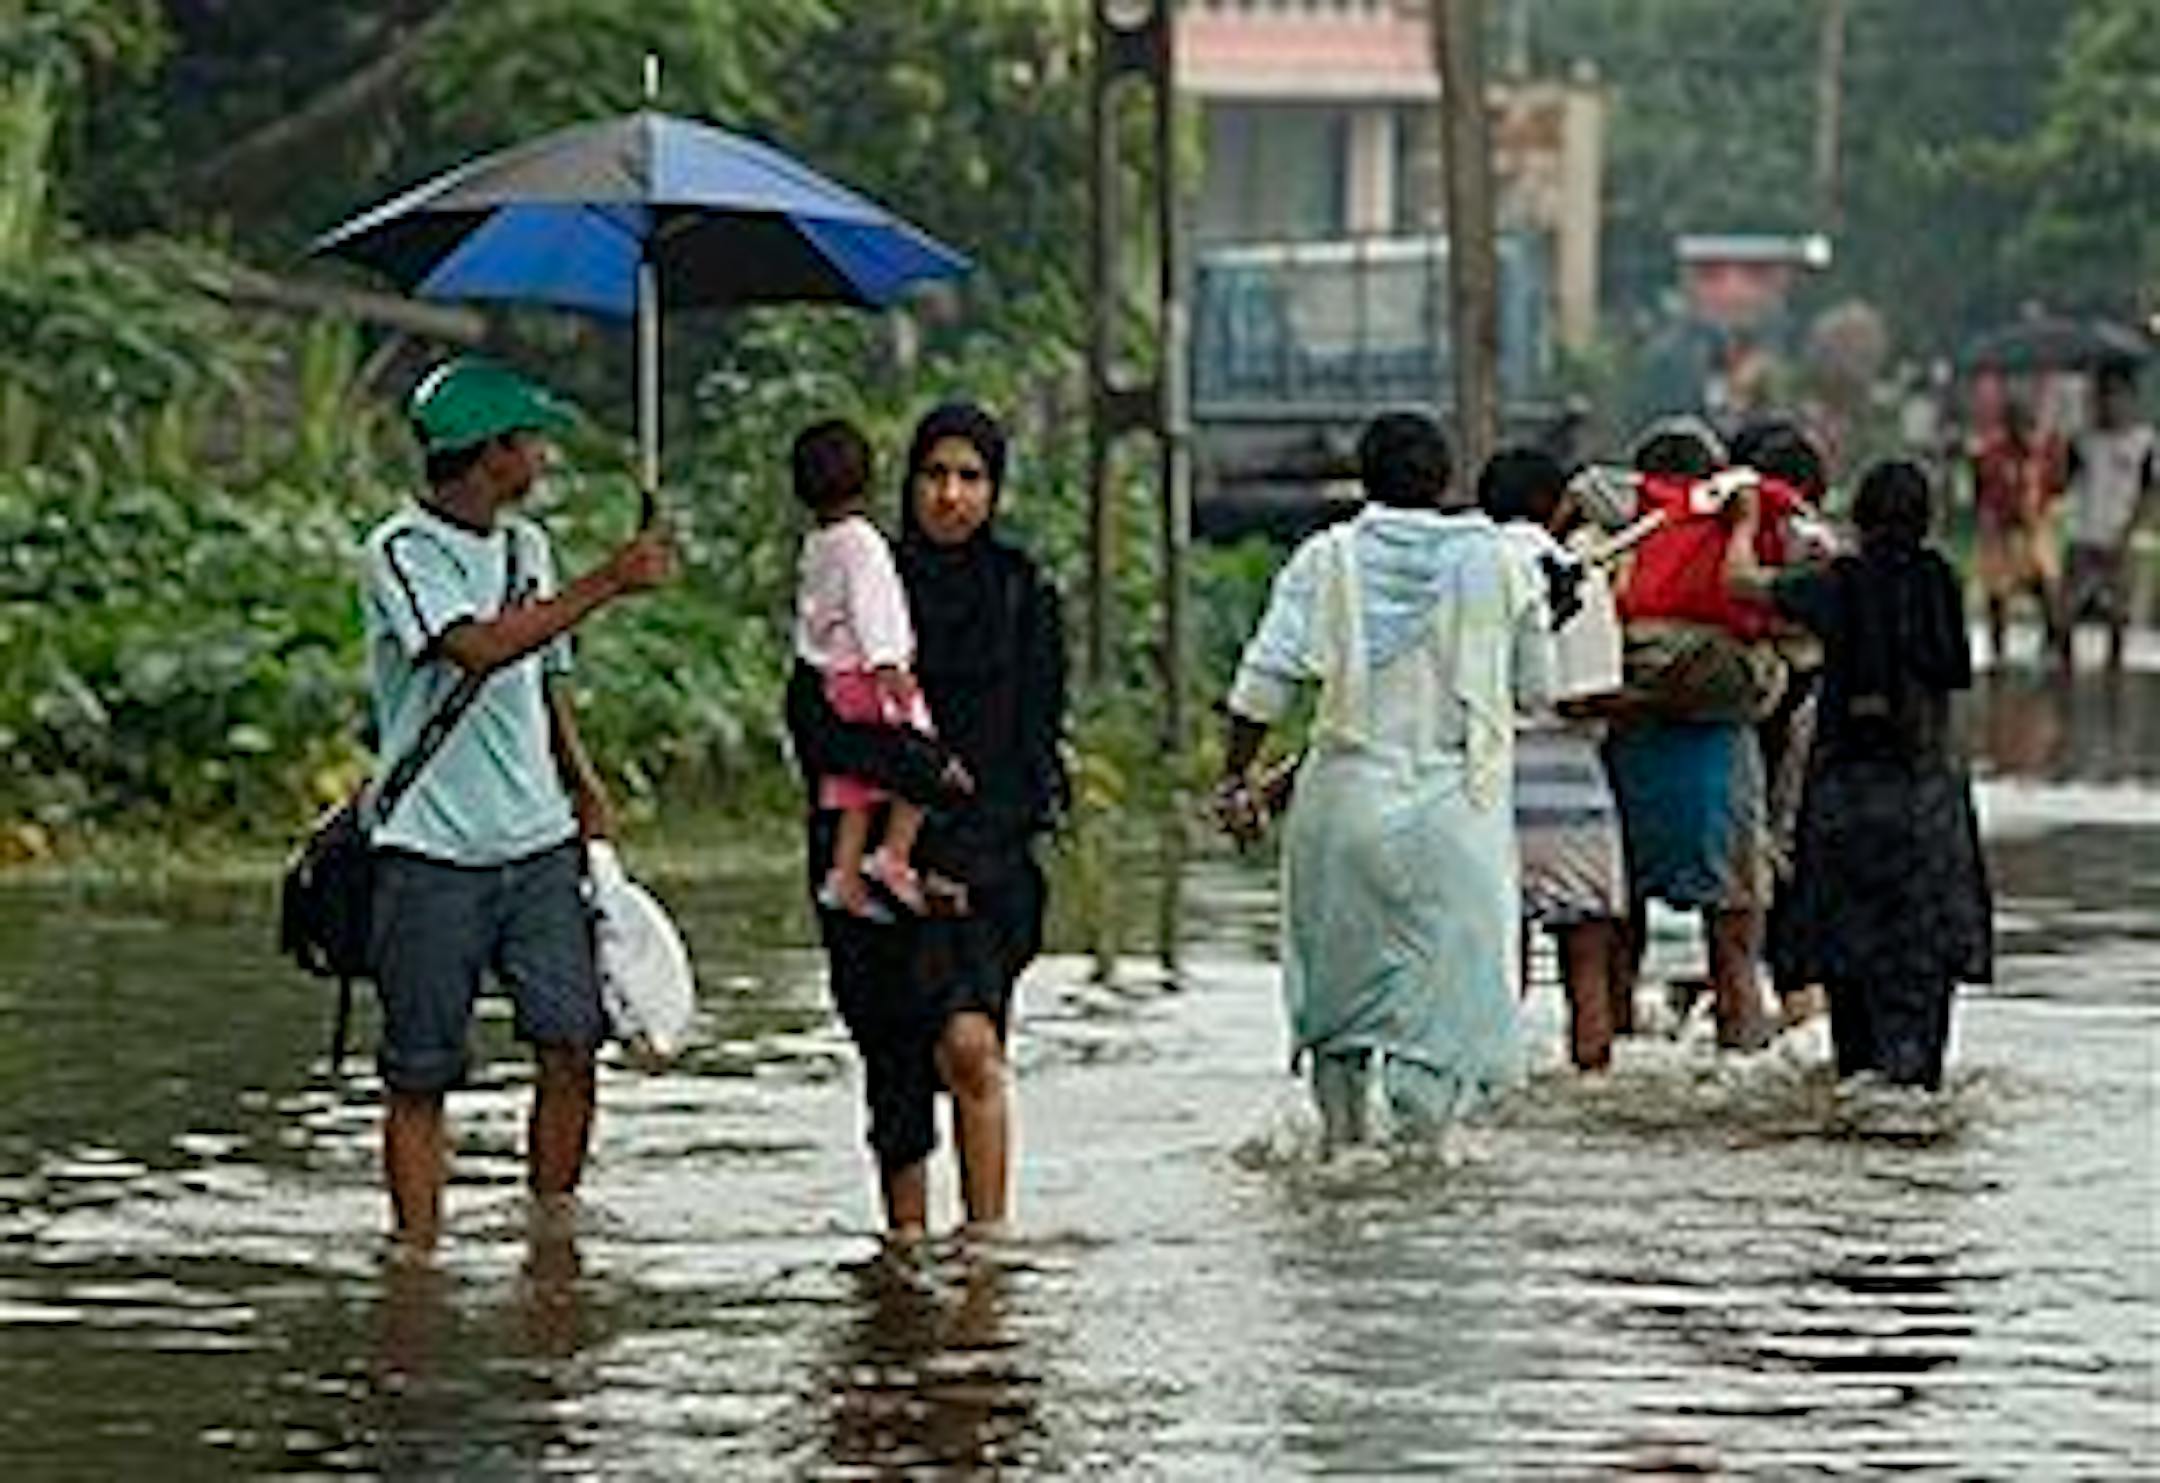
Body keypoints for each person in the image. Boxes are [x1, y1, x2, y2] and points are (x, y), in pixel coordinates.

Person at [360, 358, 674, 1254]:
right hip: (430, 849)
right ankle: (417, 1258)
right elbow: (479, 647)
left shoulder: (527, 549)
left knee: (573, 1044)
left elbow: (546, 679)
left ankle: (552, 1239)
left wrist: (583, 782)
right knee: (421, 1071)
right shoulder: (401, 551)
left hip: (537, 844)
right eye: (531, 440)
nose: (542, 454)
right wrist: (610, 580)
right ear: (492, 453)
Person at [1214, 412, 1551, 1149]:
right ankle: (1419, 1159)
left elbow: (1262, 687)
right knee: (1440, 1019)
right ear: (1446, 482)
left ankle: (1341, 1146)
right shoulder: (1502, 564)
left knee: (1338, 1009)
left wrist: (1237, 778)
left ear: (1363, 478)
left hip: (1343, 810)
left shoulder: (1323, 560)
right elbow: (1533, 691)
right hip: (1457, 818)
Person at [785, 403, 1067, 1248]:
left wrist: (965, 858)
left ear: (995, 487)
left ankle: (986, 1257)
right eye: (935, 475)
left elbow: (1033, 749)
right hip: (865, 856)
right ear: (906, 484)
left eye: (971, 477)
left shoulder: (1024, 594)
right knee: (895, 1070)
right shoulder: (864, 573)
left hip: (982, 864)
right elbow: (814, 718)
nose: (951, 495)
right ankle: (904, 1261)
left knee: (971, 1043)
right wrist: (903, 781)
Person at [1724, 460, 1991, 1088]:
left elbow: (1738, 584)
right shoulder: (1940, 583)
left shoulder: (1834, 585)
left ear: (1861, 518)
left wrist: (1742, 521)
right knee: (1920, 1007)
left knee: (1851, 998)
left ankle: (1858, 1124)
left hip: (1844, 809)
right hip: (1928, 811)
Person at [1602, 420, 1778, 1050]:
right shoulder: (1736, 535)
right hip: (1718, 765)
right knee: (1735, 960)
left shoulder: (1620, 542)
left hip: (1631, 764)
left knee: (1617, 957)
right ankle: (1744, 1061)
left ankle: (1610, 1071)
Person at [1480, 448, 1630, 1072]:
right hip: (1569, 784)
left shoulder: (1468, 573)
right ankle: (1590, 1091)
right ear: (1556, 505)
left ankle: (1490, 1085)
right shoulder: (1576, 573)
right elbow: (1592, 692)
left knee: (1493, 966)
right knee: (1586, 966)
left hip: (1484, 786)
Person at [792, 419, 937, 920]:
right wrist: (890, 667)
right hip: (869, 672)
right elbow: (874, 607)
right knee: (919, 758)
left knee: (856, 782)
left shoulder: (819, 542)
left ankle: (845, 872)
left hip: (831, 676)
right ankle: (894, 855)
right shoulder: (862, 543)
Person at [2061, 364, 2155, 673]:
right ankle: (2066, 667)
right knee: (2068, 608)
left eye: (2116, 395)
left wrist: (2130, 530)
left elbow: (2148, 492)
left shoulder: (2144, 442)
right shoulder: (2084, 441)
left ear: (2130, 398)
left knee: (2118, 610)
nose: (2109, 404)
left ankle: (2114, 669)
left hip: (2120, 533)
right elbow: (2064, 482)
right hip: (2083, 533)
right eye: (2103, 396)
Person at [1969, 398, 2065, 666]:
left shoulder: (2041, 453)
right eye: (2016, 423)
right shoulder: (1992, 453)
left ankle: (2054, 646)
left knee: (2048, 586)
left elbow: (2055, 487)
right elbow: (1982, 489)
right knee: (1997, 594)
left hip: (2034, 529)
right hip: (2001, 530)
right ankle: (1997, 650)